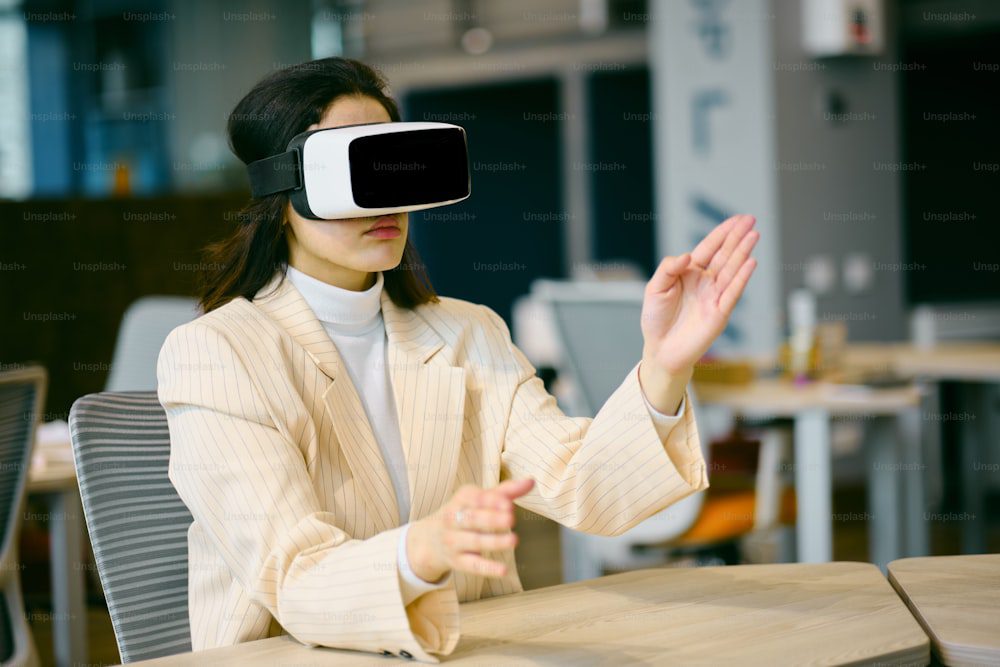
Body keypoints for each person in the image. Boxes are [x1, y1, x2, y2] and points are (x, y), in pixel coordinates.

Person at [156, 57, 759, 662]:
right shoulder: (217, 353)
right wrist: (423, 550)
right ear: (282, 191)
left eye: (400, 166)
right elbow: (295, 571)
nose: (388, 199)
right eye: (361, 170)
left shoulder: (468, 333)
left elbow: (585, 490)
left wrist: (664, 364)